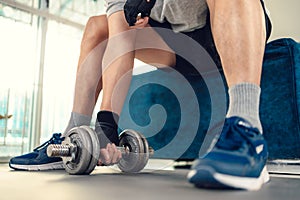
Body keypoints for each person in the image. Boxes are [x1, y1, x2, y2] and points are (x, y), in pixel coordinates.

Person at [9, 0, 272, 190]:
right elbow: (119, 40)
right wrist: (106, 125)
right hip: (184, 46)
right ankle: (73, 134)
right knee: (98, 27)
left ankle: (247, 127)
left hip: (229, 20)